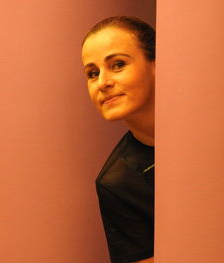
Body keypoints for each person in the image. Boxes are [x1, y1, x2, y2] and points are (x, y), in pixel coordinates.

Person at [81, 16, 155, 263]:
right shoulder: (117, 183)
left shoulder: (214, 132)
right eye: (92, 73)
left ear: (156, 64)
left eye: (118, 64)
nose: (103, 83)